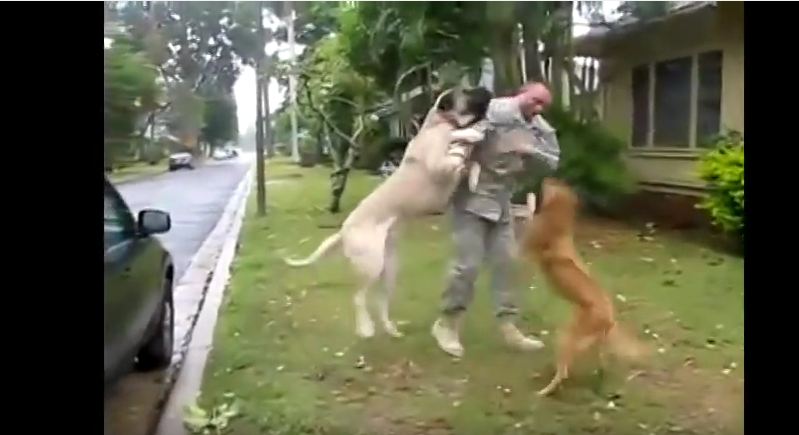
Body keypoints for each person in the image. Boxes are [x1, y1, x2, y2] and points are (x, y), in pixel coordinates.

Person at [431, 82, 561, 358]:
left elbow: (553, 161)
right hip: (472, 199)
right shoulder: (493, 111)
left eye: (543, 106)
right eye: (534, 100)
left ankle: (509, 327)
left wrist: (531, 151)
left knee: (507, 264)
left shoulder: (540, 127)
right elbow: (459, 132)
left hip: (502, 203)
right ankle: (447, 323)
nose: (537, 109)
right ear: (520, 93)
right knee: (466, 266)